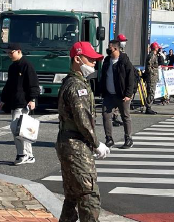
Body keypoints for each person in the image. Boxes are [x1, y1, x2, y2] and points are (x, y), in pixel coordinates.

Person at [56, 41, 109, 222]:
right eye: (91, 59)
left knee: (72, 195)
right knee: (88, 194)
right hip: (76, 145)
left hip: (67, 142)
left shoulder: (72, 82)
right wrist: (96, 144)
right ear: (77, 59)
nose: (94, 63)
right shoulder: (77, 86)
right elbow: (83, 120)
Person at [0, 43, 40, 165]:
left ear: (18, 51)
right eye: (8, 53)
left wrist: (32, 99)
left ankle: (22, 154)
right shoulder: (13, 67)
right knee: (22, 130)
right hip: (15, 101)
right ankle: (29, 155)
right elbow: (9, 85)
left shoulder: (27, 65)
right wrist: (3, 99)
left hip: (23, 103)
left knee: (17, 129)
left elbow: (33, 83)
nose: (9, 55)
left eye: (11, 52)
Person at [100, 40, 135, 149]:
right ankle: (109, 139)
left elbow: (131, 79)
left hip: (122, 95)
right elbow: (103, 76)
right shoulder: (107, 61)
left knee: (125, 116)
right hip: (109, 94)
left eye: (109, 48)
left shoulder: (124, 61)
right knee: (106, 116)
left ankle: (128, 138)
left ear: (115, 49)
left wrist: (128, 94)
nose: (108, 50)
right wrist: (101, 91)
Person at [144, 42, 160, 115]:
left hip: (153, 76)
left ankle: (149, 106)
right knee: (151, 92)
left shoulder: (154, 55)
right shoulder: (151, 56)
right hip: (151, 77)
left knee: (152, 92)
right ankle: (148, 107)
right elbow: (148, 67)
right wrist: (152, 73)